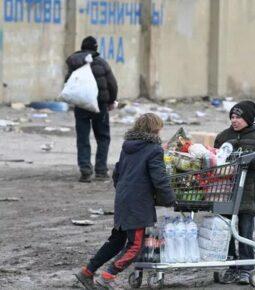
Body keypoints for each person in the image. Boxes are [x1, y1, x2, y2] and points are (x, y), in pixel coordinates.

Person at [74, 113, 175, 289]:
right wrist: (170, 199)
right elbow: (160, 179)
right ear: (155, 129)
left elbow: (117, 172)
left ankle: (87, 272)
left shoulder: (127, 146)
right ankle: (107, 278)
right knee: (136, 245)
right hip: (138, 203)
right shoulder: (154, 149)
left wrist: (123, 191)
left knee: (116, 240)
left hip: (123, 198)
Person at [214, 101, 255, 285]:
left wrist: (248, 160)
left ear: (248, 118)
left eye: (238, 117)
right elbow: (214, 159)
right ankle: (231, 265)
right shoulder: (223, 136)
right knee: (226, 230)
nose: (234, 120)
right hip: (225, 190)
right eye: (232, 117)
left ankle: (246, 268)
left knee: (245, 230)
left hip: (248, 191)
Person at [65, 36, 118, 183]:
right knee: (103, 137)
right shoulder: (101, 62)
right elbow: (112, 84)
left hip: (81, 105)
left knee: (82, 138)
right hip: (99, 105)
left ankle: (85, 171)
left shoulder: (74, 62)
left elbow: (68, 82)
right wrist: (112, 100)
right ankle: (101, 171)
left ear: (82, 47)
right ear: (95, 48)